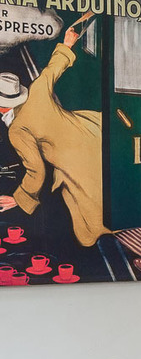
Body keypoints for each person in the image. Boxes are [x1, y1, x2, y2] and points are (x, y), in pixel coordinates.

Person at [0, 25, 107, 247]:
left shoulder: (17, 130)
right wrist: (67, 43)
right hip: (94, 131)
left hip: (76, 164)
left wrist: (19, 198)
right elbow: (53, 68)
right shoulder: (37, 90)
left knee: (91, 223)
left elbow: (36, 172)